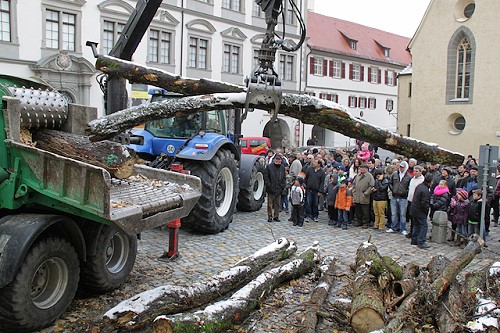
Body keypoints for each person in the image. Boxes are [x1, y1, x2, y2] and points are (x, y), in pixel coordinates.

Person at [387, 160, 412, 235]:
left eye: (402, 167)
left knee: (402, 214)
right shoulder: (394, 174)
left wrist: (405, 192)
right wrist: (393, 190)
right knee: (394, 213)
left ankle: (402, 228)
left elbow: (409, 187)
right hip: (394, 196)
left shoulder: (409, 176)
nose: (401, 169)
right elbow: (390, 183)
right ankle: (393, 227)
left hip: (403, 197)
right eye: (400, 167)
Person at [410, 173, 434, 249]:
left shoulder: (419, 186)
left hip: (414, 209)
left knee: (416, 225)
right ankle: (421, 242)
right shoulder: (425, 190)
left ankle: (414, 240)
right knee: (424, 226)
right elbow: (424, 203)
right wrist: (426, 210)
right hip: (420, 211)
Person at [263, 154, 286, 222]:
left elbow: (284, 178)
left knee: (277, 203)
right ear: (274, 159)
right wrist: (269, 185)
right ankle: (270, 216)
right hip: (271, 188)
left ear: (281, 160)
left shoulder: (282, 167)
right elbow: (266, 177)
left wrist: (282, 186)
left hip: (279, 188)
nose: (277, 161)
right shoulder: (269, 167)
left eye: (279, 159)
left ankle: (276, 216)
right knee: (270, 204)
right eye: (276, 159)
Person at [352, 163, 375, 228]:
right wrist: (354, 192)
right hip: (357, 195)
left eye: (362, 168)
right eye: (360, 168)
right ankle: (358, 221)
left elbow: (371, 186)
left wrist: (366, 193)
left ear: (366, 169)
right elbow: (353, 184)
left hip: (365, 197)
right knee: (358, 210)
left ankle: (365, 223)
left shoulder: (369, 176)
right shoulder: (357, 176)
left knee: (365, 211)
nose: (361, 169)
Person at [406, 165, 425, 237]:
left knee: (417, 219)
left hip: (417, 202)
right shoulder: (412, 179)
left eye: (417, 171)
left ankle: (416, 233)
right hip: (410, 200)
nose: (415, 173)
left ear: (420, 172)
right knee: (412, 217)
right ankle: (412, 231)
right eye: (414, 171)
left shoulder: (422, 180)